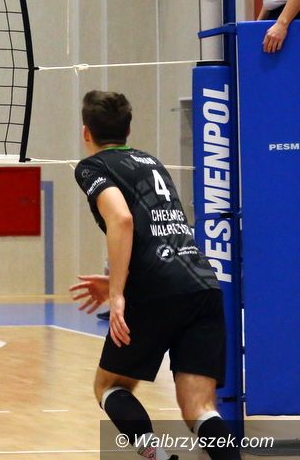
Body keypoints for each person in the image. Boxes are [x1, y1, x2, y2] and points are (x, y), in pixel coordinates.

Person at [69, 91, 240, 460]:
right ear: (128, 130)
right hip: (201, 283)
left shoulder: (92, 167)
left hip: (157, 291)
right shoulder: (152, 162)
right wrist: (119, 282)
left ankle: (157, 456)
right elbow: (158, 231)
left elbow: (122, 219)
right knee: (200, 409)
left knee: (109, 386)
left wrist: (118, 293)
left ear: (86, 132)